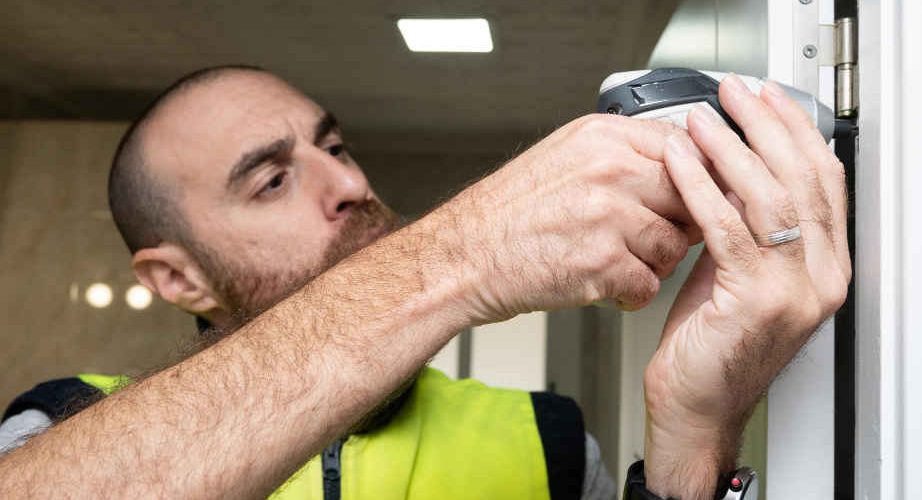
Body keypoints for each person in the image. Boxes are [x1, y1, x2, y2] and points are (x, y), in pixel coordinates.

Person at [0, 65, 849, 500]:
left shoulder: (546, 442)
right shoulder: (64, 424)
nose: (348, 185)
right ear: (177, 277)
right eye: (270, 180)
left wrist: (698, 431)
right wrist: (464, 252)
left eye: (331, 149)